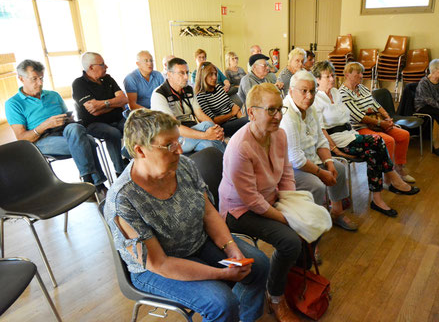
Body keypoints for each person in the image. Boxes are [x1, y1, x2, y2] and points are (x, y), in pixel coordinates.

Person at [104, 109, 269, 322]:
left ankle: (246, 318)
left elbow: (208, 213)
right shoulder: (123, 199)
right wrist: (221, 274)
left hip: (196, 241)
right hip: (156, 268)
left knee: (259, 264)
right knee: (222, 303)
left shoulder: (182, 166)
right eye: (169, 145)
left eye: (178, 141)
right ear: (140, 150)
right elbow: (160, 263)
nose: (180, 150)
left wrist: (231, 247)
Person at [219, 83, 303, 322]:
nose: (278, 116)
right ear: (251, 112)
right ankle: (275, 297)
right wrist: (287, 218)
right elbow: (251, 200)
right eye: (271, 110)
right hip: (238, 210)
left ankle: (289, 282)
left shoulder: (280, 134)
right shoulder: (240, 147)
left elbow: (286, 173)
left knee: (309, 221)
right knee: (290, 240)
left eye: (280, 109)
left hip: (267, 197)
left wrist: (292, 203)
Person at [313, 61, 419, 217]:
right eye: (327, 76)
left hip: (350, 134)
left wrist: (384, 120)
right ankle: (393, 180)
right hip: (336, 141)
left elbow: (347, 118)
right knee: (376, 141)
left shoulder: (336, 93)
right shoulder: (316, 99)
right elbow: (321, 130)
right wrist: (336, 151)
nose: (332, 79)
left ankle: (378, 199)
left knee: (374, 152)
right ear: (317, 79)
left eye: (333, 75)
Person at [5, 59, 108, 198]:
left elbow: (69, 119)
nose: (40, 83)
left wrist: (68, 119)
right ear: (21, 78)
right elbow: (22, 138)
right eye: (34, 79)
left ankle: (87, 184)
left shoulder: (53, 95)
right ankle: (97, 185)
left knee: (76, 129)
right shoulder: (13, 104)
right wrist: (45, 125)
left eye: (41, 78)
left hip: (67, 132)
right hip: (42, 139)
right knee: (88, 141)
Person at [280, 70, 358, 229]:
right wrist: (321, 173)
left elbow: (321, 140)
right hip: (290, 168)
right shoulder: (286, 114)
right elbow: (295, 158)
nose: (309, 96)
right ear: (291, 91)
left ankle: (337, 213)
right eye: (304, 91)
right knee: (317, 185)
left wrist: (329, 163)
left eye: (312, 91)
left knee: (339, 169)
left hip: (310, 160)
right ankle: (310, 228)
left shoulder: (311, 108)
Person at [339, 62, 416, 184]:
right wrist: (381, 123)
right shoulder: (343, 93)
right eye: (358, 73)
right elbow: (359, 117)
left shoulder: (362, 88)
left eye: (362, 73)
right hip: (359, 127)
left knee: (404, 135)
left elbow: (376, 105)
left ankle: (399, 169)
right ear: (347, 75)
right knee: (388, 140)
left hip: (376, 123)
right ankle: (387, 177)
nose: (361, 75)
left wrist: (387, 118)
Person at [151, 57, 226, 153]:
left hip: (191, 130)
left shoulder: (189, 90)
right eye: (181, 73)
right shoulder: (159, 94)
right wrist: (206, 135)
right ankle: (231, 162)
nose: (186, 77)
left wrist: (216, 129)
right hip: (172, 138)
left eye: (187, 72)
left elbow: (200, 114)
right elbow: (174, 127)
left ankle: (227, 162)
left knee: (209, 144)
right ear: (169, 74)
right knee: (208, 131)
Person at [72, 52, 129, 177]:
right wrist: (115, 104)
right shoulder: (79, 84)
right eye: (102, 64)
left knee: (136, 124)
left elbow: (124, 100)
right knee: (113, 133)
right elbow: (94, 111)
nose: (106, 66)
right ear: (91, 67)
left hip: (118, 119)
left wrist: (103, 104)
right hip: (94, 124)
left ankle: (131, 160)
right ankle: (120, 171)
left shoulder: (108, 78)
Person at [195, 62, 248, 137]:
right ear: (203, 76)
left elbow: (232, 105)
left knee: (250, 121)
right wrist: (232, 114)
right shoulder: (201, 96)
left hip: (235, 120)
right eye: (211, 74)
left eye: (215, 74)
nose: (215, 77)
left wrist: (242, 118)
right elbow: (213, 120)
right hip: (223, 126)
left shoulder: (219, 87)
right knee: (249, 122)